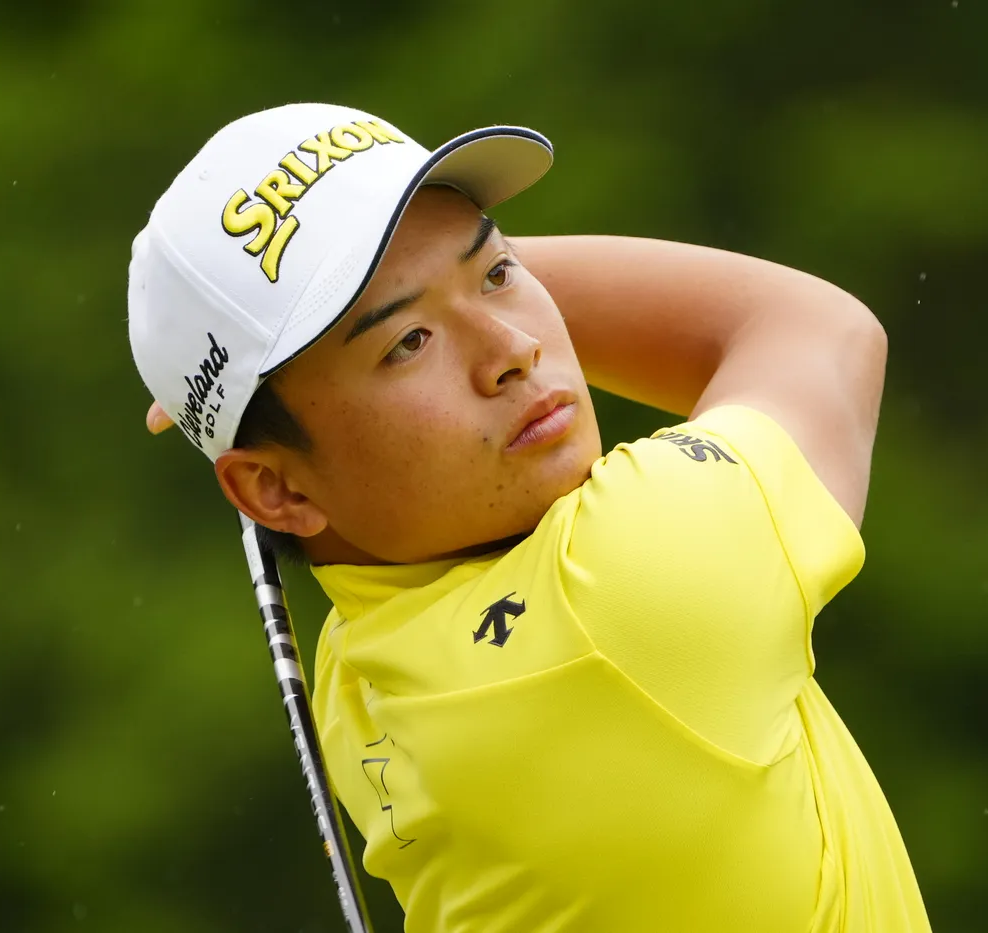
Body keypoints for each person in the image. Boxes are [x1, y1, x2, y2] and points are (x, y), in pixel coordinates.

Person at [130, 102, 931, 933]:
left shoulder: (356, 661)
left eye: (497, 274)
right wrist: (461, 260)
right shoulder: (619, 590)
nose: (512, 349)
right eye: (408, 342)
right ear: (276, 492)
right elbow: (815, 328)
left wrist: (264, 358)